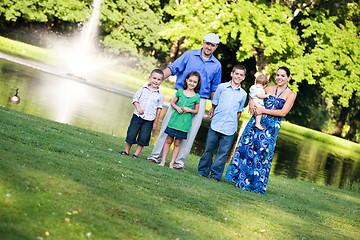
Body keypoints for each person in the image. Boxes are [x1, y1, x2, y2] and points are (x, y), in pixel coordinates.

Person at [147, 33, 222, 171]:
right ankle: (155, 156)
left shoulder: (217, 65)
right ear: (203, 42)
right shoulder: (189, 55)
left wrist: (214, 106)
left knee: (190, 132)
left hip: (200, 100)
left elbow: (214, 88)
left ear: (216, 47)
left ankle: (178, 163)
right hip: (181, 96)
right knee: (167, 126)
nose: (209, 47)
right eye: (207, 43)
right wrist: (157, 79)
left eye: (212, 45)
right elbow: (172, 68)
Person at [225, 66, 296, 194]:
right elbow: (254, 94)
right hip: (255, 122)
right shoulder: (268, 88)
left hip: (270, 128)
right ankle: (239, 179)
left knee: (261, 154)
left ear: (288, 78)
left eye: (283, 76)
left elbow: (283, 112)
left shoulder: (291, 94)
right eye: (278, 75)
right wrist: (251, 102)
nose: (279, 78)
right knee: (247, 149)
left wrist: (263, 110)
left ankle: (254, 184)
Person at [196, 64, 247, 181]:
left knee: (223, 153)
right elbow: (215, 103)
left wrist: (234, 123)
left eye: (241, 75)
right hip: (216, 124)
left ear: (243, 77)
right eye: (236, 74)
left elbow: (239, 111)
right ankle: (203, 170)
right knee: (209, 149)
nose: (238, 76)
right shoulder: (222, 87)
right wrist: (212, 112)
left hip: (230, 127)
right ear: (232, 74)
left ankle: (215, 175)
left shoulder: (243, 94)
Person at [119, 69, 164, 158]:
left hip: (149, 119)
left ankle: (136, 154)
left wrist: (155, 122)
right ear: (150, 78)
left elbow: (159, 109)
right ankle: (126, 151)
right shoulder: (142, 89)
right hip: (137, 116)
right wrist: (138, 107)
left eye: (159, 79)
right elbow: (135, 99)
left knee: (144, 137)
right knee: (131, 134)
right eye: (154, 78)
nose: (156, 81)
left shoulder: (160, 95)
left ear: (161, 81)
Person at [159, 72, 201, 168]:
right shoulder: (180, 92)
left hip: (184, 124)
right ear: (186, 80)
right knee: (168, 141)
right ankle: (163, 161)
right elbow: (172, 103)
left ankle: (171, 163)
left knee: (177, 143)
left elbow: (196, 111)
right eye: (190, 81)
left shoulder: (197, 96)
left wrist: (189, 110)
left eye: (195, 82)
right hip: (174, 121)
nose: (192, 83)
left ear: (197, 84)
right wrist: (177, 108)